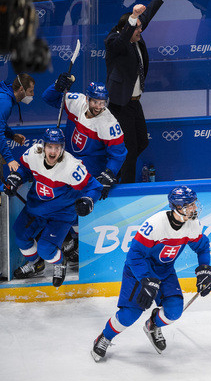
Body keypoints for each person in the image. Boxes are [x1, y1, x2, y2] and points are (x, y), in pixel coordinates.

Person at [91, 186, 211, 362]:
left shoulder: (192, 225)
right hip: (139, 271)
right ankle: (104, 337)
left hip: (165, 271)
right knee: (129, 315)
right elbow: (134, 256)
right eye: (189, 205)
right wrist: (145, 279)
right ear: (177, 208)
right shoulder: (155, 225)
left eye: (194, 204)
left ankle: (152, 325)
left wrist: (204, 269)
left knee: (174, 311)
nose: (194, 209)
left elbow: (202, 247)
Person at [6, 128, 99, 287]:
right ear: (44, 146)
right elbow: (26, 170)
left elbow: (94, 187)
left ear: (62, 148)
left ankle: (60, 263)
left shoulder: (71, 167)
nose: (53, 151)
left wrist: (88, 201)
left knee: (46, 249)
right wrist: (17, 177)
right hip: (35, 208)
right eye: (50, 146)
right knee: (21, 238)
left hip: (60, 214)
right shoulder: (34, 153)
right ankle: (36, 264)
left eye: (57, 147)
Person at [105, 0, 174, 183]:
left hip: (135, 102)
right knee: (130, 148)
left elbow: (147, 15)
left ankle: (117, 175)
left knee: (142, 142)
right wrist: (133, 18)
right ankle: (125, 186)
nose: (141, 32)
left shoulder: (136, 33)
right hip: (120, 104)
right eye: (137, 28)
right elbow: (123, 39)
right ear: (128, 27)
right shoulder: (114, 41)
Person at [42, 77, 127, 199]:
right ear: (87, 99)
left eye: (102, 103)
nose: (98, 107)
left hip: (91, 172)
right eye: (95, 102)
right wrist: (56, 86)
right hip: (67, 164)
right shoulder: (76, 102)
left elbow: (118, 154)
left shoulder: (109, 124)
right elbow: (48, 97)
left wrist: (109, 173)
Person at [0, 73, 34, 173]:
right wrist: (10, 159)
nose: (32, 94)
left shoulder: (5, 97)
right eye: (30, 91)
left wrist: (12, 135)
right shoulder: (5, 102)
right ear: (21, 89)